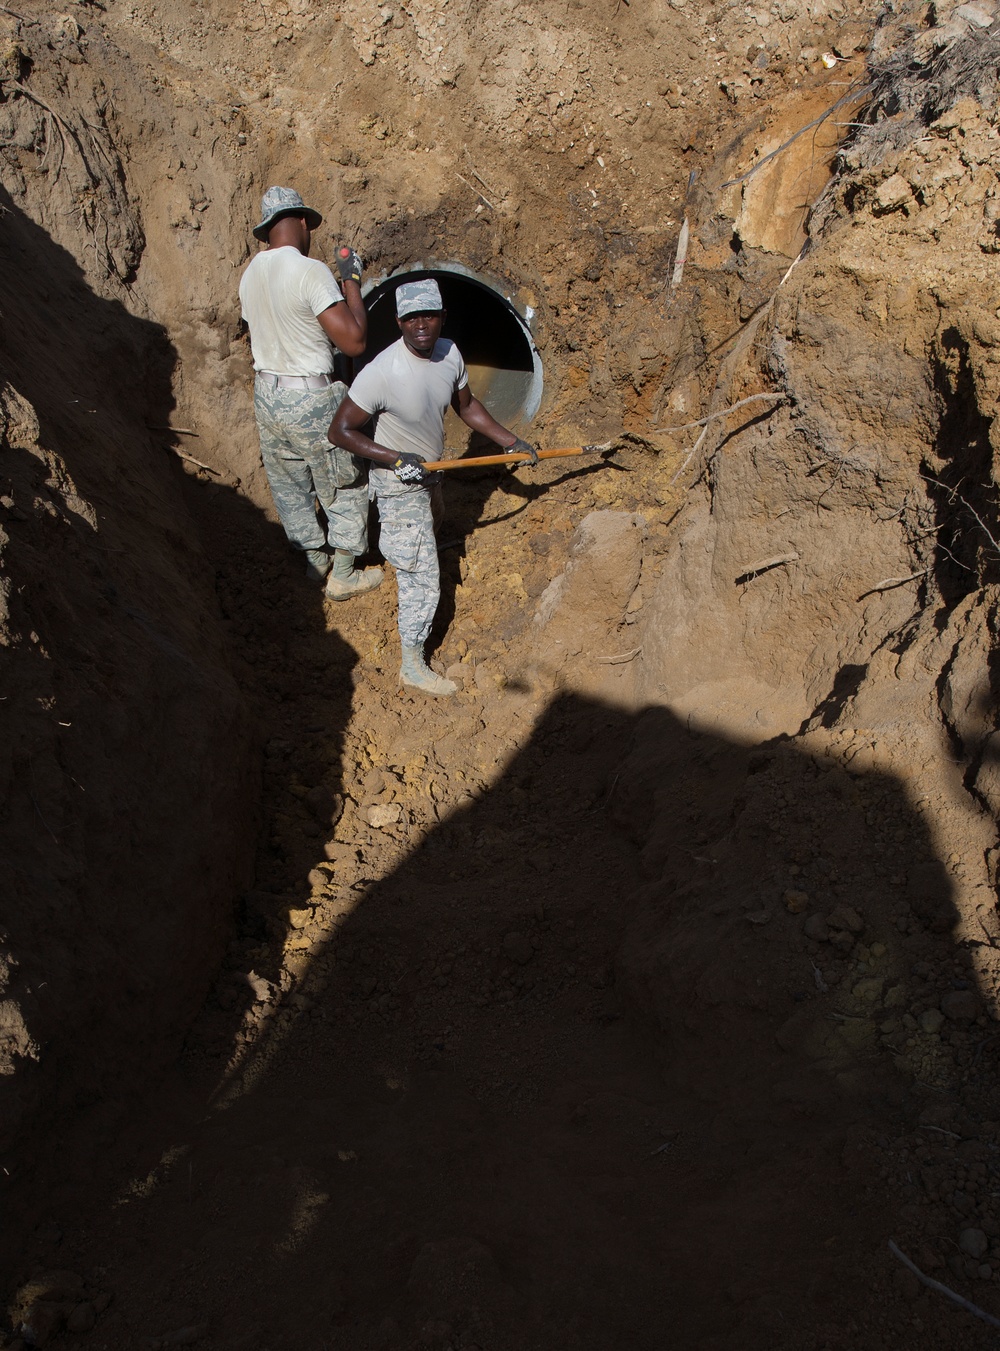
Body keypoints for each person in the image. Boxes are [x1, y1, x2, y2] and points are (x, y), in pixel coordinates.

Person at [329, 278, 537, 696]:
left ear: (442, 317)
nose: (420, 324)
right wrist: (393, 457)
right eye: (411, 317)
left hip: (431, 475)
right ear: (399, 321)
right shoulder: (381, 373)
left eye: (428, 315)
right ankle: (411, 665)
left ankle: (408, 557)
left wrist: (508, 440)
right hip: (398, 482)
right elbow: (340, 430)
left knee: (433, 527)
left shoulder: (450, 354)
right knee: (424, 578)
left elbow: (467, 406)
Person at [239, 185, 383, 599]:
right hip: (311, 398)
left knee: (288, 478)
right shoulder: (309, 271)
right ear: (302, 222)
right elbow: (353, 342)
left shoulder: (251, 274)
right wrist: (351, 281)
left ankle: (313, 559)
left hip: (267, 393)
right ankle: (343, 572)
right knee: (343, 479)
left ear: (267, 230)